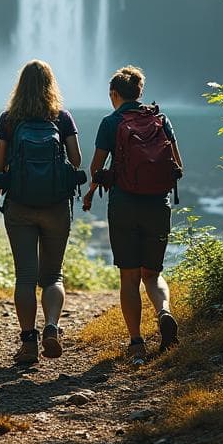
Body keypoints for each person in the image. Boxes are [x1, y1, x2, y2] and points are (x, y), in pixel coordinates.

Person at [0, 60, 83, 365]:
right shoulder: (62, 117)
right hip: (56, 206)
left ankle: (28, 342)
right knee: (53, 275)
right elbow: (77, 161)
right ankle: (51, 327)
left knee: (25, 277)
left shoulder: (9, 120)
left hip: (20, 206)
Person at [82, 65, 182, 366]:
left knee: (129, 277)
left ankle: (137, 343)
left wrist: (94, 188)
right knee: (152, 274)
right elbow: (177, 164)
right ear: (140, 92)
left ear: (114, 94)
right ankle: (164, 313)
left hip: (124, 204)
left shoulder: (110, 122)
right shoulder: (160, 119)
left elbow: (96, 169)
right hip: (158, 205)